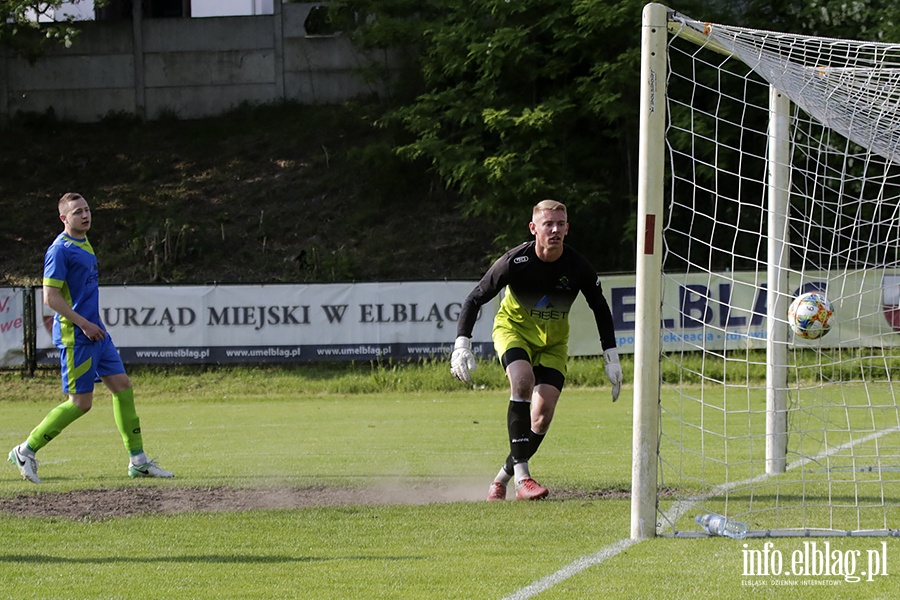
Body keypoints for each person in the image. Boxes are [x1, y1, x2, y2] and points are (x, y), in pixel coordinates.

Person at [451, 199, 622, 501]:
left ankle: (501, 479)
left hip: (554, 344)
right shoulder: (515, 261)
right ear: (534, 228)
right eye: (548, 224)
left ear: (567, 228)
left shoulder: (578, 266)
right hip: (514, 331)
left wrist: (611, 357)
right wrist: (461, 344)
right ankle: (523, 479)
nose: (555, 230)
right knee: (522, 380)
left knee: (541, 417)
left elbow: (600, 308)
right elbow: (474, 298)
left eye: (560, 224)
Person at [8, 192, 174, 484]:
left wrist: (92, 324)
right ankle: (25, 450)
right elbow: (50, 298)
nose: (85, 215)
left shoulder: (83, 242)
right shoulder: (60, 250)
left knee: (122, 388)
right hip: (77, 335)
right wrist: (84, 324)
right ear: (63, 218)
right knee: (80, 403)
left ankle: (138, 461)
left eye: (86, 210)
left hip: (96, 332)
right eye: (77, 212)